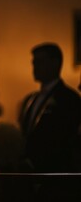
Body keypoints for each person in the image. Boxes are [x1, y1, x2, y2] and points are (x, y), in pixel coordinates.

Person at [18, 42, 81, 173]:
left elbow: (66, 136)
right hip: (28, 172)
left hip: (55, 171)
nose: (34, 67)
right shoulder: (30, 98)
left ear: (55, 63)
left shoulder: (68, 98)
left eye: (40, 62)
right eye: (33, 62)